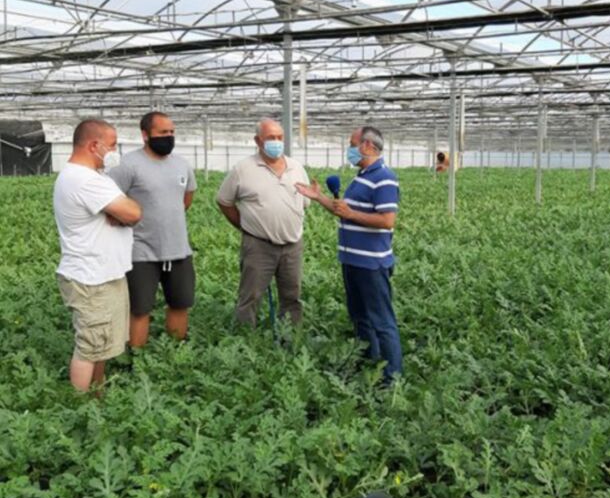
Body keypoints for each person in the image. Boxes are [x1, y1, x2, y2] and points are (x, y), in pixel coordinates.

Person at [296, 126, 403, 384]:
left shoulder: (385, 177)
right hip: (352, 261)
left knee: (382, 321)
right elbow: (342, 210)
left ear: (367, 146)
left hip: (371, 263)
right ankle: (370, 365)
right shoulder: (361, 176)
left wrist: (352, 214)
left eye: (352, 143)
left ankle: (392, 379)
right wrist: (319, 197)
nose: (350, 149)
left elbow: (387, 220)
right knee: (360, 318)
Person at [53, 119, 142, 392]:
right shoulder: (84, 179)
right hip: (92, 278)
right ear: (94, 145)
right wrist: (122, 213)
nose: (116, 151)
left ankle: (96, 396)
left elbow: (124, 213)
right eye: (113, 145)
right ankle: (79, 408)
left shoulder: (93, 177)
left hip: (103, 274)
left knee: (100, 344)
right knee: (90, 347)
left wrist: (120, 212)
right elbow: (133, 213)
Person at [107, 111, 197, 348]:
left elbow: (186, 198)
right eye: (162, 132)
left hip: (178, 249)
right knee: (140, 307)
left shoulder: (181, 164)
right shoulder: (127, 165)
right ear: (145, 135)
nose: (168, 137)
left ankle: (174, 354)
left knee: (180, 303)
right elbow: (110, 199)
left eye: (171, 132)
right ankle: (138, 357)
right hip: (140, 251)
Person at [216, 119, 310, 328]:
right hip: (258, 245)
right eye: (271, 138)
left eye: (280, 138)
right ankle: (246, 339)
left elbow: (305, 203)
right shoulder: (243, 169)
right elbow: (224, 201)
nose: (276, 142)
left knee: (292, 296)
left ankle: (290, 337)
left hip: (293, 244)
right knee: (250, 296)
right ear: (258, 141)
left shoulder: (296, 167)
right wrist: (245, 225)